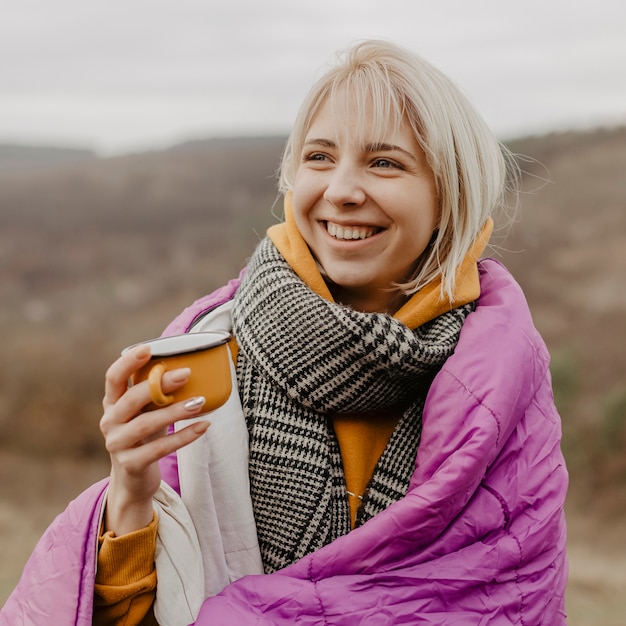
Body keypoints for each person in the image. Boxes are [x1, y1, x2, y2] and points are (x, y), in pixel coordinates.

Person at [1, 39, 568, 625]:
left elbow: (510, 598)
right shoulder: (211, 347)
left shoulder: (501, 371)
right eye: (320, 158)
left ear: (450, 192)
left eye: (385, 163)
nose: (342, 191)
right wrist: (130, 493)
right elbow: (137, 615)